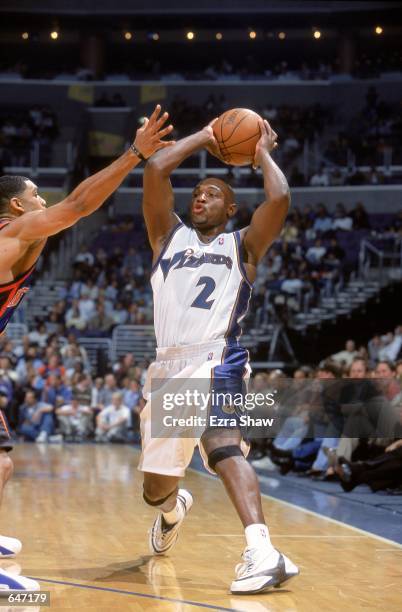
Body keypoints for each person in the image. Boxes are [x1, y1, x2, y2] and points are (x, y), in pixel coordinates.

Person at [0, 104, 173, 591]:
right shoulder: (15, 232)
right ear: (16, 206)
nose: (43, 200)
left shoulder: (13, 234)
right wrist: (134, 154)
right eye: (36, 195)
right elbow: (78, 206)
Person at [139, 117, 299, 595]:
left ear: (230, 207)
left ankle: (262, 550)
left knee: (222, 442)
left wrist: (261, 153)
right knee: (155, 490)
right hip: (167, 367)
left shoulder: (243, 245)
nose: (200, 198)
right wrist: (207, 137)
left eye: (212, 194)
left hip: (217, 357)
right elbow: (154, 173)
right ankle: (174, 509)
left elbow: (279, 199)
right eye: (197, 194)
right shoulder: (167, 236)